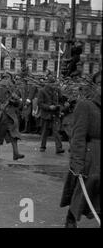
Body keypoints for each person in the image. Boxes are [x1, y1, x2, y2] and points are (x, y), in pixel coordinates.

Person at [60, 71, 101, 228]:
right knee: (84, 188)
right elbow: (77, 137)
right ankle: (71, 217)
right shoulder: (86, 106)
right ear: (94, 87)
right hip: (91, 155)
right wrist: (76, 162)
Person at [0, 72, 24, 161]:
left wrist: (15, 100)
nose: (6, 80)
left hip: (11, 116)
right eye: (4, 78)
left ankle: (16, 153)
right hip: (0, 116)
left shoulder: (13, 90)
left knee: (14, 135)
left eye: (8, 78)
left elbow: (19, 104)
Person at [37, 74, 67, 154]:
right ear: (48, 83)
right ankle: (42, 146)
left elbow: (61, 100)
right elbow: (39, 103)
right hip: (46, 114)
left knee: (56, 131)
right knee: (44, 132)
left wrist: (60, 107)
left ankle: (59, 148)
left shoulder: (57, 90)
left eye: (54, 83)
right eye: (52, 83)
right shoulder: (42, 91)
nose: (54, 85)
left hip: (55, 113)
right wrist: (49, 107)